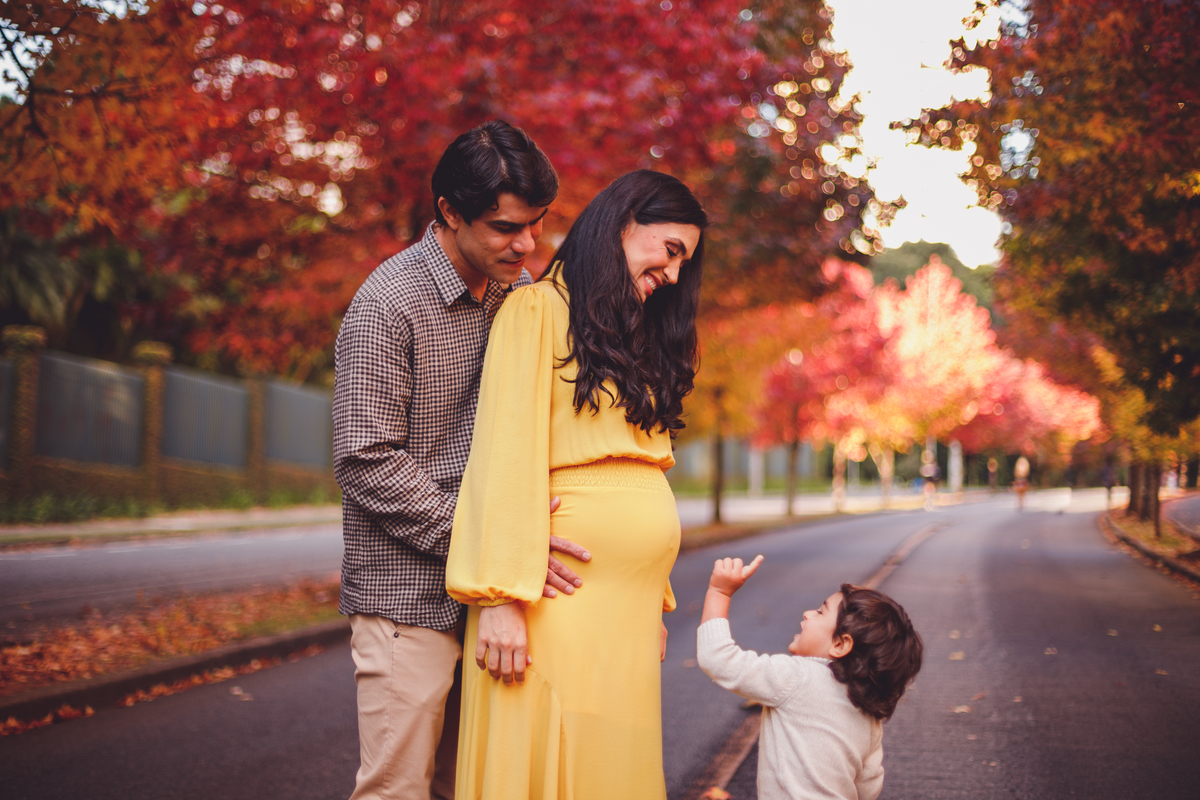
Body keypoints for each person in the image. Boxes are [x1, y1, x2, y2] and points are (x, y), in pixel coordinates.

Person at [333, 120, 590, 800]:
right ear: (449, 211)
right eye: (506, 227)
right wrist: (492, 541)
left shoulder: (519, 291)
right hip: (406, 596)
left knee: (473, 787)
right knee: (396, 790)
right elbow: (366, 459)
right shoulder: (387, 305)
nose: (527, 244)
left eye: (536, 223)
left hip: (498, 594)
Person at [445, 169, 707, 799]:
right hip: (553, 600)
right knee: (553, 757)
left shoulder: (636, 337)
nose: (675, 274)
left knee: (611, 768)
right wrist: (500, 598)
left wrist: (653, 595)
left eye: (685, 262)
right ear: (624, 222)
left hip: (626, 610)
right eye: (671, 250)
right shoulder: (534, 310)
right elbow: (502, 453)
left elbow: (641, 469)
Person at [697, 556, 923, 800]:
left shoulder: (796, 677)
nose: (807, 614)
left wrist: (719, 592)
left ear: (840, 644)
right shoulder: (870, 717)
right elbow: (868, 789)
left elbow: (718, 659)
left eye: (820, 612)